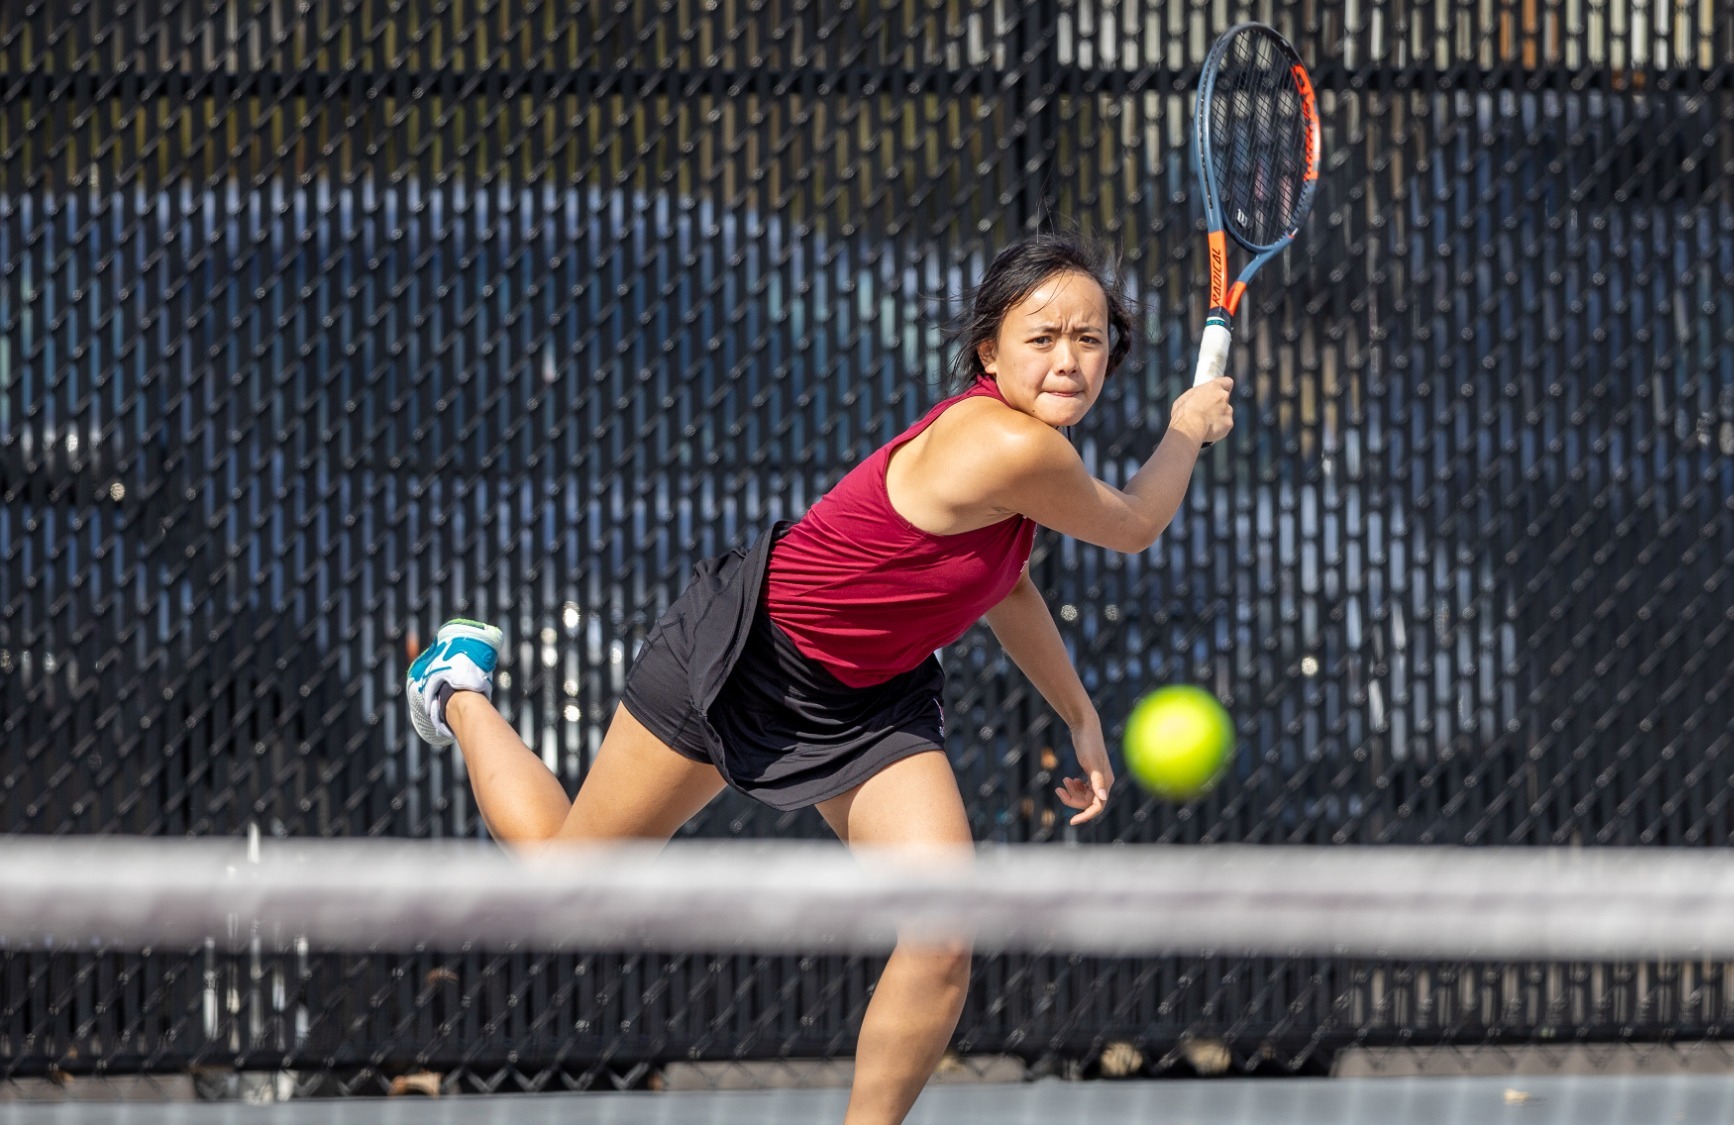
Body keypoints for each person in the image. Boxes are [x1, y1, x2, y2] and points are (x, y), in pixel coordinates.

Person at [403, 233, 1235, 1125]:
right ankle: (457, 685)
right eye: (1043, 337)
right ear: (990, 350)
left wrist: (1077, 712)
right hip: (746, 658)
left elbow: (1007, 581)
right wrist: (1186, 428)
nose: (1069, 358)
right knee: (567, 887)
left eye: (1091, 337)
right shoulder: (1008, 444)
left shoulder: (1028, 457)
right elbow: (1139, 521)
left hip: (873, 700)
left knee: (942, 933)